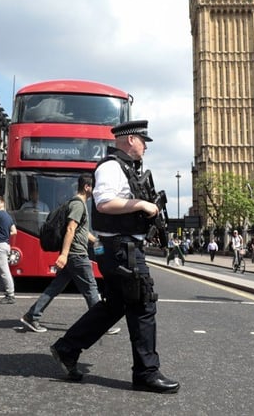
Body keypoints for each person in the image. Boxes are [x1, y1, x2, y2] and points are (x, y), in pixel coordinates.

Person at [50, 120, 179, 393]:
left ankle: (67, 348)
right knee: (143, 306)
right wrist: (142, 204)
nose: (146, 147)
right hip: (122, 250)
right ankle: (146, 373)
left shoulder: (126, 168)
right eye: (144, 141)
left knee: (114, 306)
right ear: (131, 139)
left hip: (121, 248)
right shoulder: (111, 166)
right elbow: (105, 203)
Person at [20, 174, 120, 335]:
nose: (96, 191)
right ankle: (102, 323)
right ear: (87, 187)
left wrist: (95, 241)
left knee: (55, 287)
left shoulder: (76, 204)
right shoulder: (78, 205)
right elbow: (70, 229)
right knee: (91, 288)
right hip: (76, 255)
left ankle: (32, 315)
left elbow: (81, 230)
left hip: (73, 254)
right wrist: (64, 254)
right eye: (94, 187)